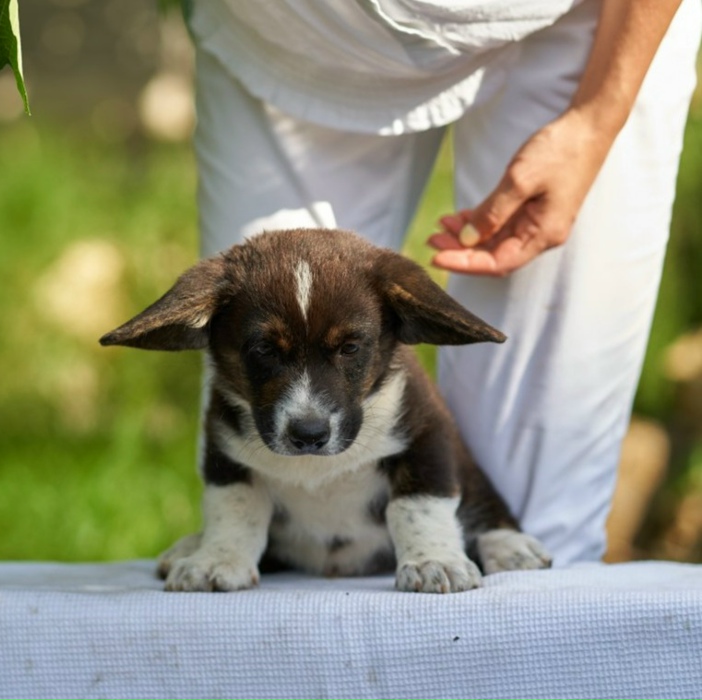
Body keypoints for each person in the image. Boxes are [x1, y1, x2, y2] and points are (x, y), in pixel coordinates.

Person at [182, 0, 701, 566]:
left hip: (580, 26)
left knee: (543, 518)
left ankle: (489, 563)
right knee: (254, 396)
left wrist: (597, 118)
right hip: (294, 30)